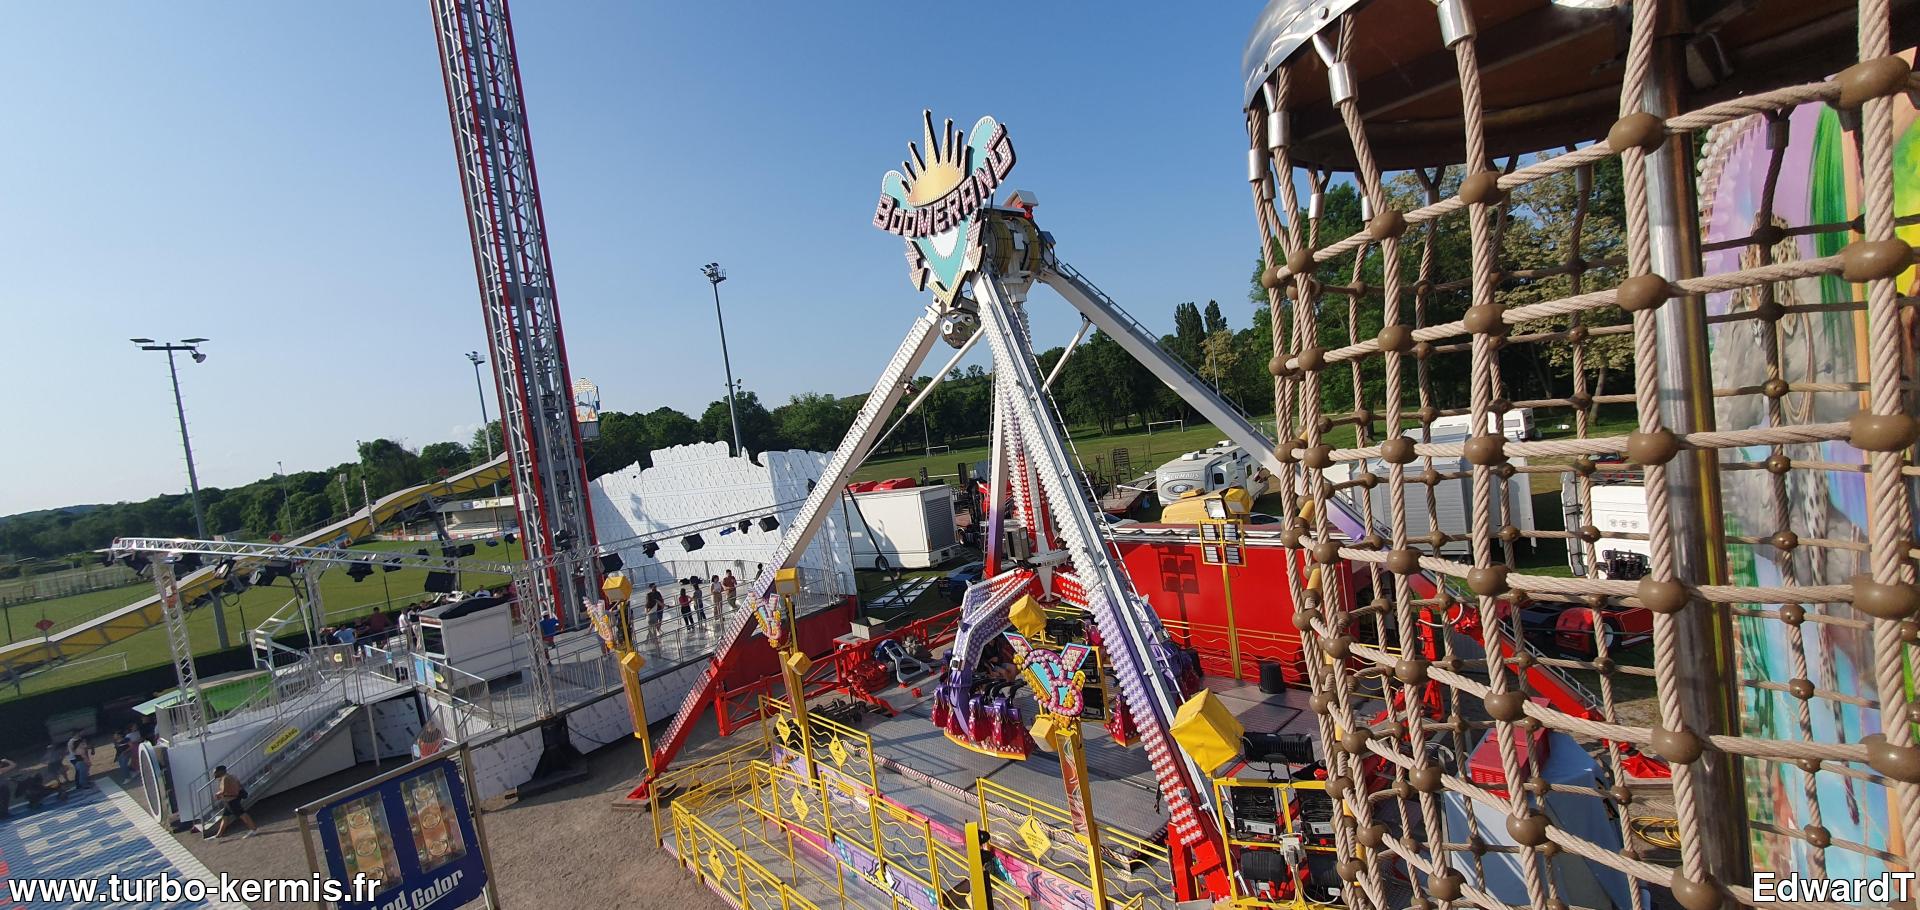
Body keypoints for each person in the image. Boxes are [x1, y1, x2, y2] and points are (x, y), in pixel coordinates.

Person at [206, 766, 256, 838]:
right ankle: (218, 835)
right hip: (231, 800)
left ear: (221, 771)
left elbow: (224, 790)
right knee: (225, 817)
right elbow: (238, 785)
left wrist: (217, 794)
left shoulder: (225, 778)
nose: (214, 774)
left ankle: (253, 830)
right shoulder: (232, 776)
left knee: (242, 815)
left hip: (231, 801)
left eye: (215, 772)